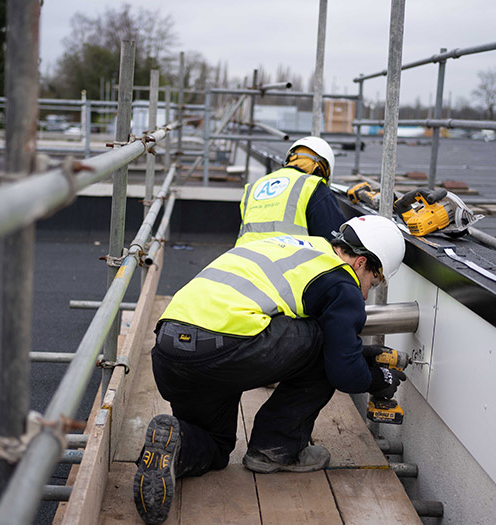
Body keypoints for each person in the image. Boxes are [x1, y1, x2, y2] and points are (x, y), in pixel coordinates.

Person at [133, 215, 407, 524]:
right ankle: (275, 448)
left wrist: (359, 354)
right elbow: (343, 370)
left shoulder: (300, 248)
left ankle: (176, 444)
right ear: (360, 263)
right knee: (324, 340)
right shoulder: (342, 281)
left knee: (215, 446)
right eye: (374, 281)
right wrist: (376, 378)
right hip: (225, 347)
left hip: (171, 349)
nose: (368, 292)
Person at [236, 136, 346, 246]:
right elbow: (339, 243)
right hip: (286, 260)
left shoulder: (254, 187)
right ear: (321, 169)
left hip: (242, 259)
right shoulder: (313, 187)